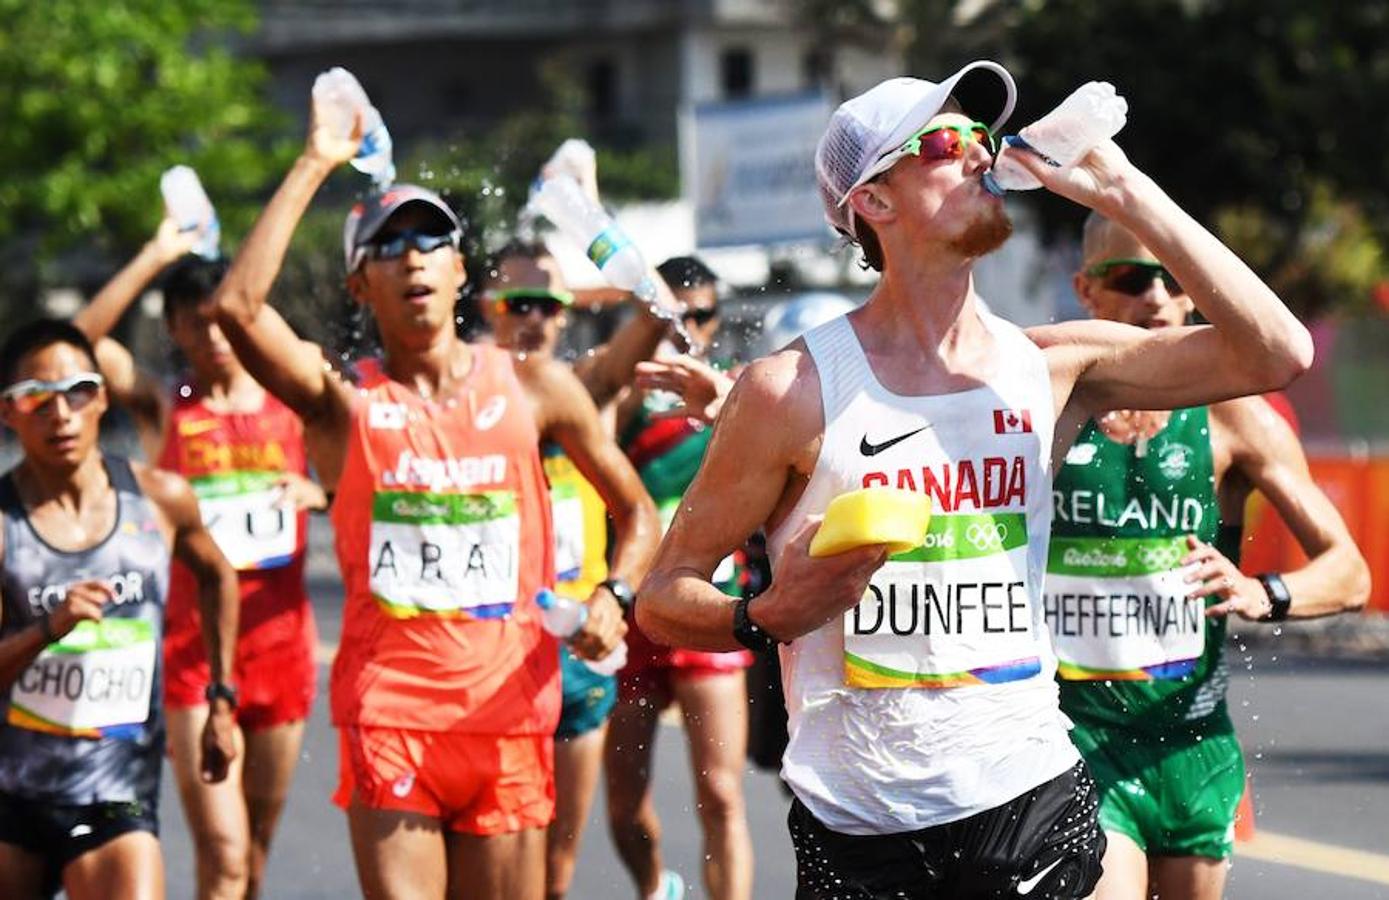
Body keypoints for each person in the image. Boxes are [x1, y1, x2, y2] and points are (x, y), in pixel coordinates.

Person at [633, 60, 1313, 899]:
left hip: (1028, 801)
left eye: (984, 138)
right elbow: (663, 595)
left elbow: (1276, 353)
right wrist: (764, 613)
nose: (981, 155)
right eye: (947, 141)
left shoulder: (1051, 366)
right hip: (857, 830)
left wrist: (1124, 193)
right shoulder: (790, 389)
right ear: (872, 201)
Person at [209, 100, 655, 900]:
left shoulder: (535, 387)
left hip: (511, 711)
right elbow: (235, 310)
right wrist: (316, 159)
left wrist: (613, 596)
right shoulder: (344, 408)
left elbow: (639, 515)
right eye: (387, 246)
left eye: (430, 240)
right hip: (391, 714)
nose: (411, 256)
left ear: (458, 270)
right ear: (360, 282)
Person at [1045, 213, 1370, 900]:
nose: (1155, 298)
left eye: (1172, 278)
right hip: (1072, 740)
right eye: (1131, 278)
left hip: (1193, 747)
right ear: (1085, 291)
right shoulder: (1047, 405)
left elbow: (1347, 569)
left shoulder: (1235, 414)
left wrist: (1264, 593)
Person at [73, 219, 325, 900]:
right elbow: (81, 350)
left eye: (222, 320)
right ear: (177, 331)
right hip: (193, 653)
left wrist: (319, 492)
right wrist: (156, 251)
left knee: (255, 854)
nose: (214, 336)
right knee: (223, 851)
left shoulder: (296, 399)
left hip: (282, 647)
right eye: (196, 324)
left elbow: (370, 475)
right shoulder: (165, 407)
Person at [0, 319, 238, 900]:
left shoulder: (161, 498)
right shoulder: (4, 525)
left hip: (117, 794)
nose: (60, 414)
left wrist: (221, 697)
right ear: (8, 413)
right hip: (15, 797)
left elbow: (218, 575)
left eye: (76, 392)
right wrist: (47, 631)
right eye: (36, 398)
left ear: (102, 397)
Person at [477, 235, 664, 900]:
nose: (535, 319)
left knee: (554, 876)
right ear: (487, 307)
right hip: (490, 653)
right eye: (518, 303)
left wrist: (581, 226)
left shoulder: (586, 388)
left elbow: (657, 308)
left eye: (549, 307)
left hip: (578, 647)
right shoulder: (464, 398)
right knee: (496, 869)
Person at [607, 255, 755, 900]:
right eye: (674, 314)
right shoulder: (622, 401)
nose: (687, 326)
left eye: (700, 314)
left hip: (709, 609)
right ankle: (654, 889)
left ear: (716, 321)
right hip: (636, 616)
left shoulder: (741, 397)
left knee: (721, 794)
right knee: (622, 805)